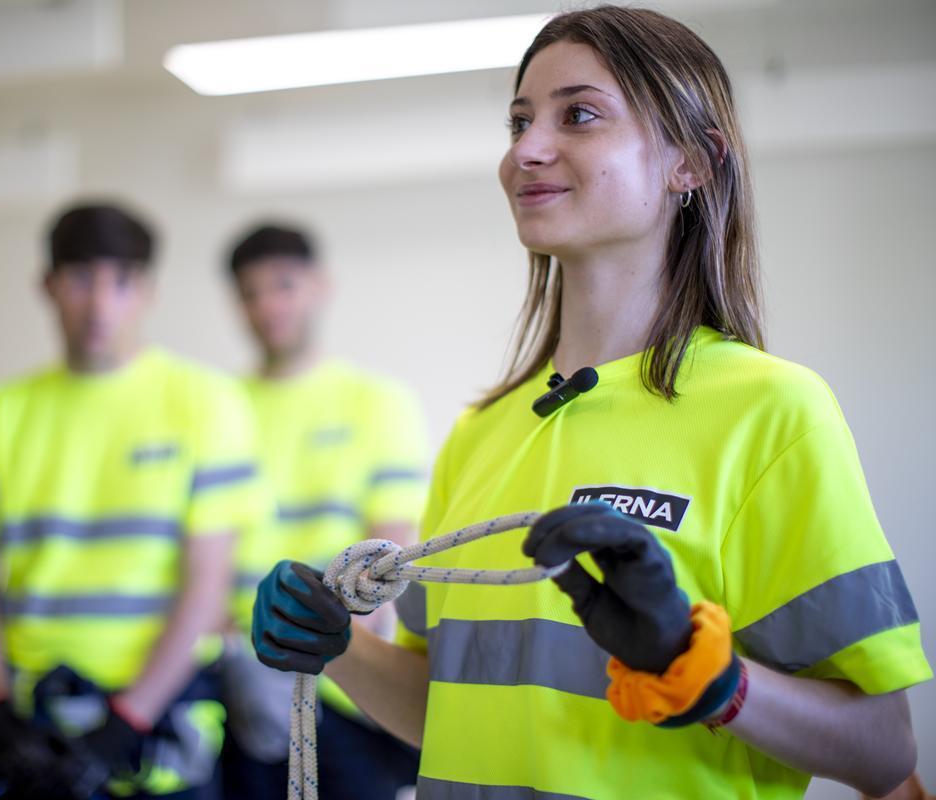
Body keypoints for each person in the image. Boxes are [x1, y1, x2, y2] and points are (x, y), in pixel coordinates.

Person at [250, 7, 931, 799]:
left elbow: (881, 748)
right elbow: (456, 714)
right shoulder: (481, 433)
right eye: (518, 121)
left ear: (692, 163)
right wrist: (337, 647)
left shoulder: (773, 411)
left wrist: (708, 679)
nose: (525, 152)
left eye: (579, 114)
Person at [0, 202, 264, 799]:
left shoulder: (207, 403)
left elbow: (207, 584)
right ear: (48, 285)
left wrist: (128, 720)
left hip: (156, 731)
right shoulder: (0, 413)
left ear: (148, 290)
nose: (100, 304)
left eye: (121, 281)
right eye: (80, 278)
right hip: (27, 724)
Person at [219, 224, 426, 799]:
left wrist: (322, 652)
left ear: (320, 286)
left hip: (345, 689)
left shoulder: (377, 403)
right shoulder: (219, 410)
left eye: (282, 286)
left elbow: (386, 554)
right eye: (250, 292)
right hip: (240, 692)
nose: (267, 306)